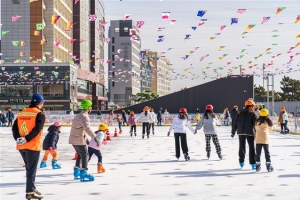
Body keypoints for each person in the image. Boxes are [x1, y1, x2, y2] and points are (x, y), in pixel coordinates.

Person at [12, 94, 46, 199]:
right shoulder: (40, 114)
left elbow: (14, 128)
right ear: (40, 103)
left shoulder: (21, 113)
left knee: (29, 168)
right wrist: (26, 138)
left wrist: (18, 138)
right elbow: (37, 129)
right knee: (31, 169)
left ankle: (32, 187)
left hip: (21, 146)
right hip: (33, 145)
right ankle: (30, 192)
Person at [69, 99, 100, 182]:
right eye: (90, 107)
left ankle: (76, 171)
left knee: (80, 154)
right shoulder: (84, 116)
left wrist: (86, 139)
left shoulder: (78, 115)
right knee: (85, 155)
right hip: (78, 139)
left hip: (73, 139)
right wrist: (95, 137)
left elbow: (80, 129)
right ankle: (83, 173)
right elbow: (87, 128)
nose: (91, 108)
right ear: (88, 107)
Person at [231, 99, 258, 169]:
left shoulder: (240, 113)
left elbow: (235, 123)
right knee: (251, 147)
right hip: (250, 132)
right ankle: (253, 163)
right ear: (252, 106)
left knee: (241, 147)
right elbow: (256, 124)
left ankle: (241, 162)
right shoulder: (252, 114)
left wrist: (233, 132)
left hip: (240, 132)